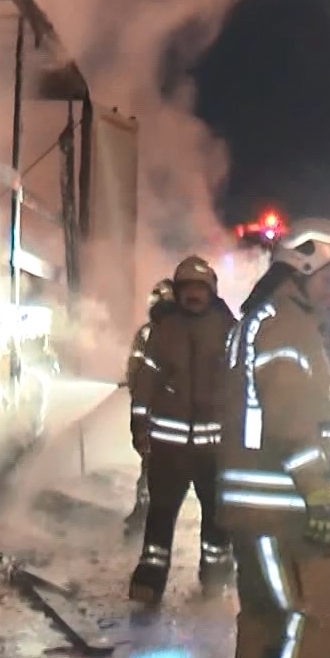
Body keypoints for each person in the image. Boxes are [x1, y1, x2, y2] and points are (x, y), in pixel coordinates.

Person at [218, 218, 330, 658]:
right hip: (282, 505)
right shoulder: (286, 326)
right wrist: (318, 490)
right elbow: (289, 420)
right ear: (301, 268)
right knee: (321, 612)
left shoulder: (262, 320)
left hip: (253, 502)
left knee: (263, 612)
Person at [127, 258, 235, 602]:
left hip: (213, 449)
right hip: (169, 449)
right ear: (178, 292)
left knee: (217, 516)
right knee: (160, 514)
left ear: (211, 293)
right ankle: (150, 578)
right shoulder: (164, 330)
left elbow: (241, 383)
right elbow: (146, 380)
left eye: (200, 289)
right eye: (187, 289)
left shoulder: (228, 330)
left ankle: (215, 575)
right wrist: (139, 422)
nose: (193, 296)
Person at [124, 279, 175, 533]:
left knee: (151, 469)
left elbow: (135, 372)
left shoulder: (148, 333)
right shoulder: (180, 332)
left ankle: (143, 518)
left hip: (158, 417)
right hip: (169, 417)